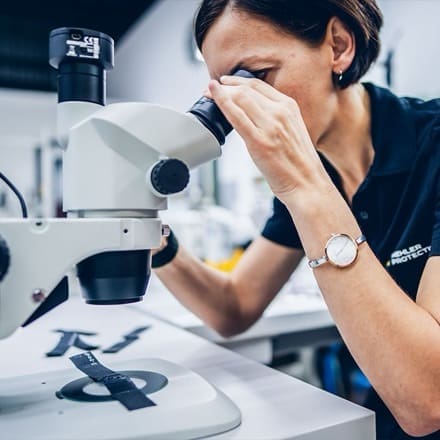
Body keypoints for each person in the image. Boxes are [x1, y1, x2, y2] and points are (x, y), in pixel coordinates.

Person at [152, 1, 440, 438]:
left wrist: (304, 185)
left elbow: (429, 398)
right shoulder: (315, 178)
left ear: (338, 46)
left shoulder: (427, 146)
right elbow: (234, 307)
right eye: (224, 93)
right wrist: (149, 235)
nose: (237, 111)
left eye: (255, 77)